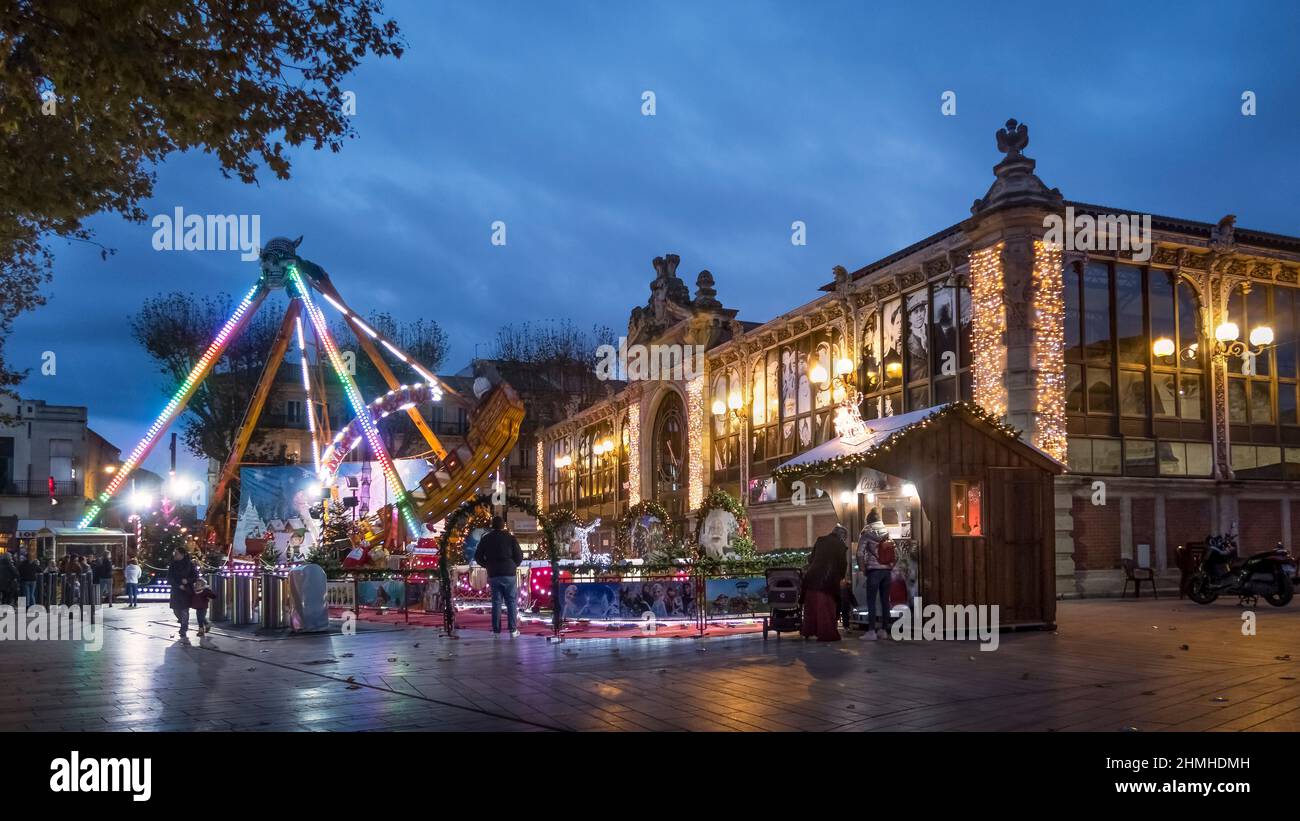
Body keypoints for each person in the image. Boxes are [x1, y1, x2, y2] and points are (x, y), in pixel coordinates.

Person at [474, 515, 523, 637]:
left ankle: (496, 631)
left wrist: (487, 565)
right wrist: (513, 565)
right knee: (511, 602)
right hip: (509, 573)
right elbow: (519, 556)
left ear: (492, 525)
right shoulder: (510, 538)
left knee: (496, 602)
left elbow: (478, 556)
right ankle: (512, 630)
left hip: (494, 573)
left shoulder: (486, 538)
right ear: (503, 525)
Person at [800, 524, 849, 641]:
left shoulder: (820, 540)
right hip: (828, 581)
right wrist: (841, 577)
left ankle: (809, 631)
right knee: (826, 609)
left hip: (811, 579)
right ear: (842, 536)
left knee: (811, 607)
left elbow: (811, 559)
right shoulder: (840, 545)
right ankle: (826, 633)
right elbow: (843, 564)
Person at [858, 509, 895, 641]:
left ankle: (871, 631)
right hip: (887, 571)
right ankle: (884, 630)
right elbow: (892, 550)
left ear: (868, 520)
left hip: (873, 571)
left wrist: (863, 569)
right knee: (885, 601)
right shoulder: (886, 532)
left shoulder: (866, 532)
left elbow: (860, 553)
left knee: (871, 601)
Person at [166, 547, 199, 639]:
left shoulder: (190, 564)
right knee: (176, 610)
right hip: (176, 590)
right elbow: (169, 578)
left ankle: (184, 627)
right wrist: (177, 585)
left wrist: (188, 580)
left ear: (182, 554)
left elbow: (195, 576)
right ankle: (182, 622)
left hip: (186, 590)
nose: (175, 555)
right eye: (174, 553)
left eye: (176, 553)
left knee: (184, 610)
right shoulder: (173, 565)